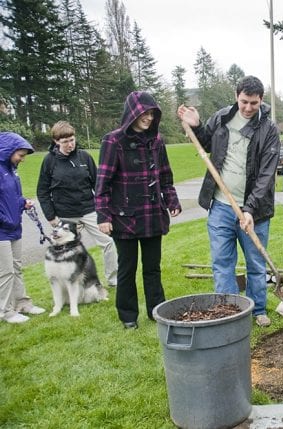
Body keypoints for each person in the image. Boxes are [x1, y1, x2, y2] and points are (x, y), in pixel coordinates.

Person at [177, 76, 280, 327]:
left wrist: (250, 210)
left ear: (261, 100)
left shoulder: (269, 129)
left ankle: (258, 310)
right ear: (236, 96)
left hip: (256, 210)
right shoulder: (222, 117)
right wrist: (197, 125)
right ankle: (229, 311)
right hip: (221, 205)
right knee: (222, 262)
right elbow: (204, 142)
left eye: (253, 103)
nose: (247, 107)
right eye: (244, 101)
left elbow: (267, 175)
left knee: (256, 263)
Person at [96, 91, 181, 329]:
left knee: (152, 268)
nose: (149, 118)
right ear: (133, 112)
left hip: (153, 215)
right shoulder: (113, 141)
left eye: (152, 113)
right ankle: (128, 316)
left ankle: (157, 311)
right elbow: (102, 183)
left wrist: (172, 201)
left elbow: (165, 176)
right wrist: (103, 215)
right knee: (127, 268)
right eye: (145, 113)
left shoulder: (157, 141)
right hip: (125, 218)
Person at [37, 121, 118, 287]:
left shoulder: (84, 157)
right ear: (56, 141)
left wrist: (105, 210)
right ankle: (72, 284)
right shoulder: (49, 161)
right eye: (65, 141)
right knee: (67, 252)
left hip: (89, 209)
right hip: (65, 214)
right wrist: (51, 216)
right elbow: (42, 191)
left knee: (109, 242)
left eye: (72, 140)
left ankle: (113, 280)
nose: (70, 144)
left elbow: (98, 185)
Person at [0, 132, 46, 323]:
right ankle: (6, 311)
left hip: (14, 227)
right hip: (2, 230)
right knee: (5, 271)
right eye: (20, 155)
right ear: (8, 151)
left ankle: (23, 303)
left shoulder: (12, 170)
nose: (23, 159)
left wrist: (23, 202)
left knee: (17, 268)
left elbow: (13, 197)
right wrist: (6, 220)